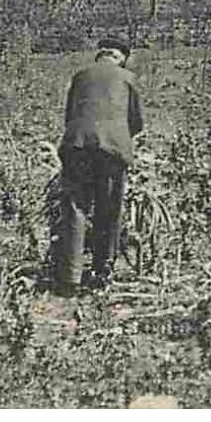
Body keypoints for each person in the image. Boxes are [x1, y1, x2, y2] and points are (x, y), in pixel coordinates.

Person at [54, 35, 144, 294]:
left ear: (101, 55)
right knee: (109, 209)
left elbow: (70, 116)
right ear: (121, 58)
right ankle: (102, 272)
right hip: (111, 150)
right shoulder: (128, 78)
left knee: (75, 207)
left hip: (76, 146)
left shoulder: (81, 76)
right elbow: (137, 122)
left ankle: (69, 278)